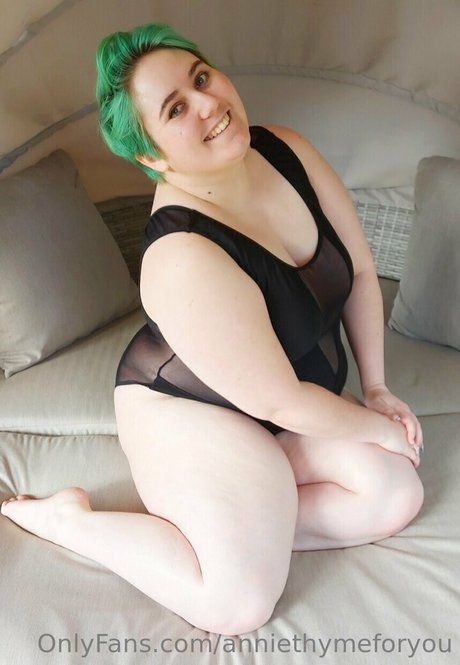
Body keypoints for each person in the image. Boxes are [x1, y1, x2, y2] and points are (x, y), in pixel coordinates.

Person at [1, 23, 423, 635]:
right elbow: (277, 400)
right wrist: (375, 430)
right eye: (175, 109)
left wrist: (378, 390)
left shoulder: (286, 149)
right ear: (152, 157)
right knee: (236, 604)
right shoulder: (181, 255)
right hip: (196, 410)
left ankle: (256, 512)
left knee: (396, 494)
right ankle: (69, 522)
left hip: (288, 403)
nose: (206, 103)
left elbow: (357, 269)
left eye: (201, 78)